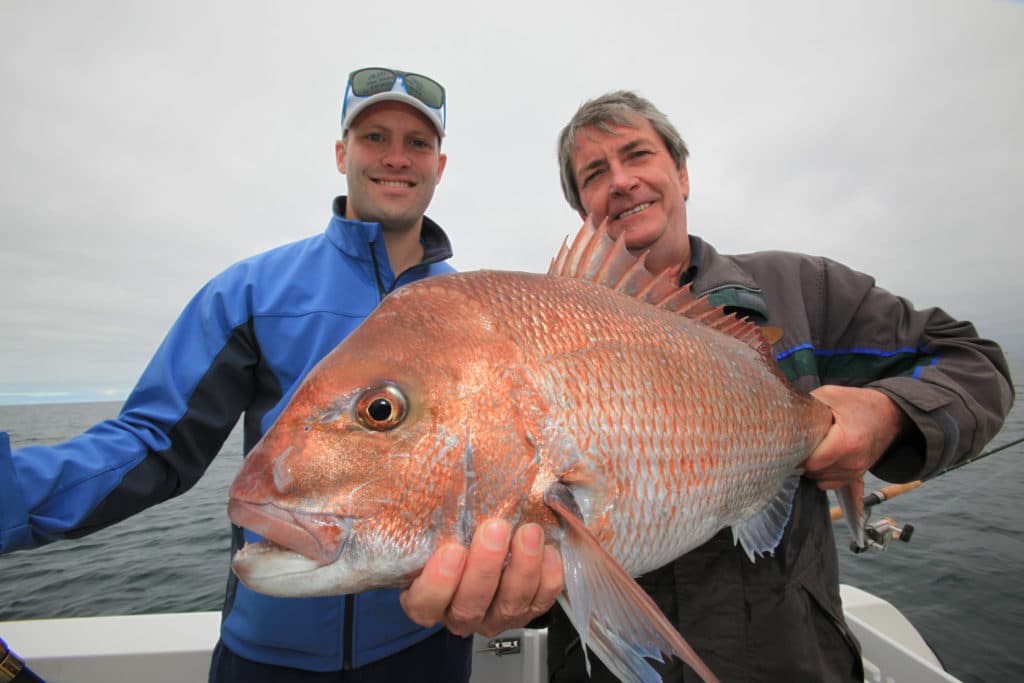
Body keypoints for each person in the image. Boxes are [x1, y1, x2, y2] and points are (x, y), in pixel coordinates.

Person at [401, 90, 1015, 682]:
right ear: (582, 208)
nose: (620, 181)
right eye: (593, 173)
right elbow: (551, 546)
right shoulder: (542, 329)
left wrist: (886, 414)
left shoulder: (804, 292)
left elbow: (974, 362)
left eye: (638, 155)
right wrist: (507, 593)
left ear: (683, 174)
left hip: (794, 664)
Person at [0, 66, 497, 683]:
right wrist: (11, 494)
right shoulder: (252, 292)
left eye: (417, 143)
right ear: (342, 153)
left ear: (440, 166)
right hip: (268, 657)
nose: (396, 157)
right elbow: (154, 448)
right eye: (375, 138)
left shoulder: (481, 314)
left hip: (423, 651)